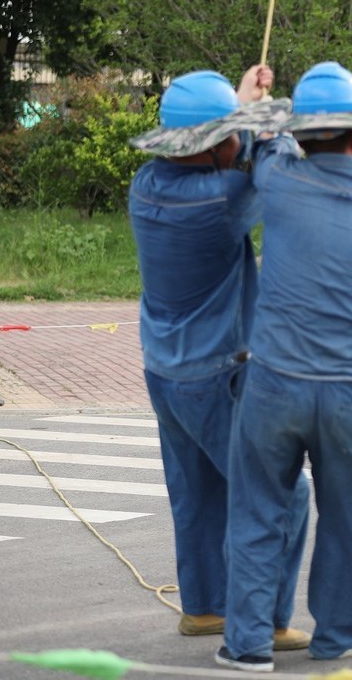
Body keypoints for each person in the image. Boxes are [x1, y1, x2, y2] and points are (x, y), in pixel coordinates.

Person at [219, 62, 352, 672]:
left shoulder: (278, 182)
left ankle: (247, 644)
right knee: (349, 523)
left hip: (274, 384)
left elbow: (262, 142)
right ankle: (337, 634)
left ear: (303, 132)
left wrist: (253, 100)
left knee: (257, 513)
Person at [128, 66, 309, 650]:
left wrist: (240, 105)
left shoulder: (146, 185)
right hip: (216, 377)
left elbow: (225, 150)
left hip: (163, 370)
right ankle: (265, 621)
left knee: (198, 493)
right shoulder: (220, 200)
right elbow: (282, 182)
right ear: (210, 144)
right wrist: (270, 128)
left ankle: (205, 608)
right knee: (284, 494)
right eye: (229, 132)